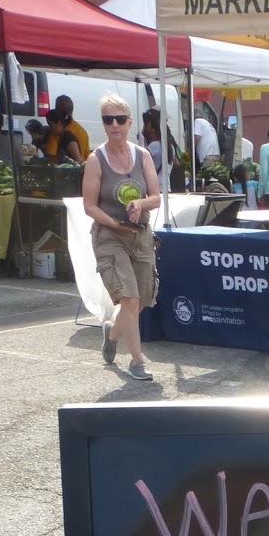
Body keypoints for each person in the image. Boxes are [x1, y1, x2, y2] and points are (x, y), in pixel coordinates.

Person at [82, 92, 161, 383]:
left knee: (139, 301)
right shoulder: (96, 160)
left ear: (129, 123)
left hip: (140, 234)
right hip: (109, 236)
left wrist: (140, 204)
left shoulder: (143, 155)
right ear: (103, 124)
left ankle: (112, 333)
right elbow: (89, 206)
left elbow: (156, 197)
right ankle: (137, 362)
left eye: (119, 119)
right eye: (107, 119)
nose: (114, 124)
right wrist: (115, 223)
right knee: (128, 299)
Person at [53, 95, 89, 161]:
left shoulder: (57, 131)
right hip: (81, 169)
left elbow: (51, 155)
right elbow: (87, 157)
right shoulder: (83, 132)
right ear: (72, 110)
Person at [142, 108, 163, 177]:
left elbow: (141, 164)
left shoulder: (153, 146)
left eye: (146, 124)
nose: (144, 127)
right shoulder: (169, 145)